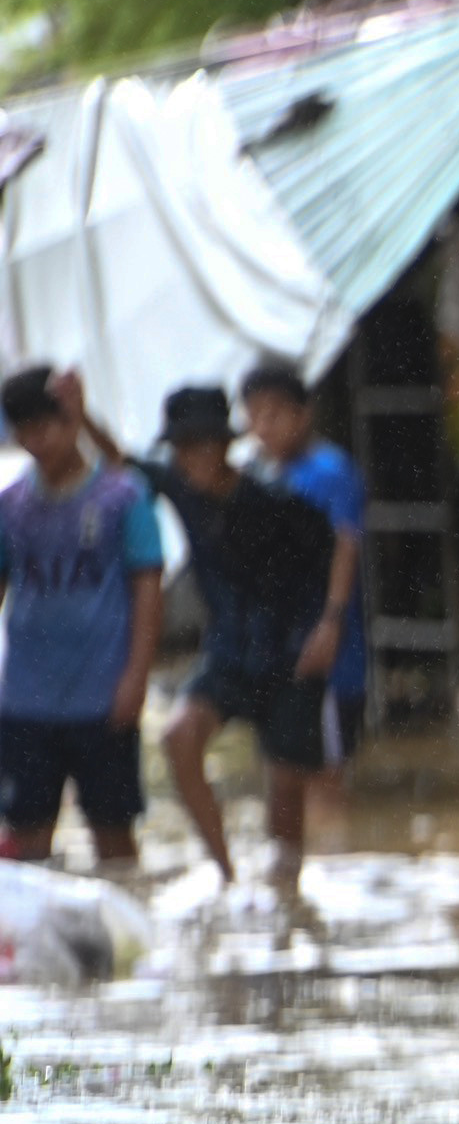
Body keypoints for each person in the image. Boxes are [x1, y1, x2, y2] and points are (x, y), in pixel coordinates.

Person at [72, 380, 342, 894]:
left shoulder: (275, 501)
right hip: (230, 656)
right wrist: (83, 415)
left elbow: (334, 553)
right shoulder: (179, 487)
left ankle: (287, 898)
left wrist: (328, 627)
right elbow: (120, 463)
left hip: (289, 661)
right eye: (182, 449)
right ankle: (227, 876)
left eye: (200, 447)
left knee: (286, 796)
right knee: (178, 737)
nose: (191, 459)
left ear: (223, 446)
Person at [0, 367, 164, 872]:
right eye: (25, 429)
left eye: (46, 425)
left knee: (114, 837)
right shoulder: (10, 506)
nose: (37, 440)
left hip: (102, 694)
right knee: (26, 840)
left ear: (71, 421)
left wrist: (136, 677)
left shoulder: (122, 497)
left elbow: (148, 589)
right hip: (27, 698)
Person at [241, 359, 367, 842]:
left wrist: (331, 622)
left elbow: (346, 544)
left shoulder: (330, 472)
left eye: (275, 414)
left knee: (325, 772)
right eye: (256, 416)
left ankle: (332, 864)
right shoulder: (254, 476)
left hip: (326, 652)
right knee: (283, 772)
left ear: (303, 414)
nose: (264, 427)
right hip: (276, 650)